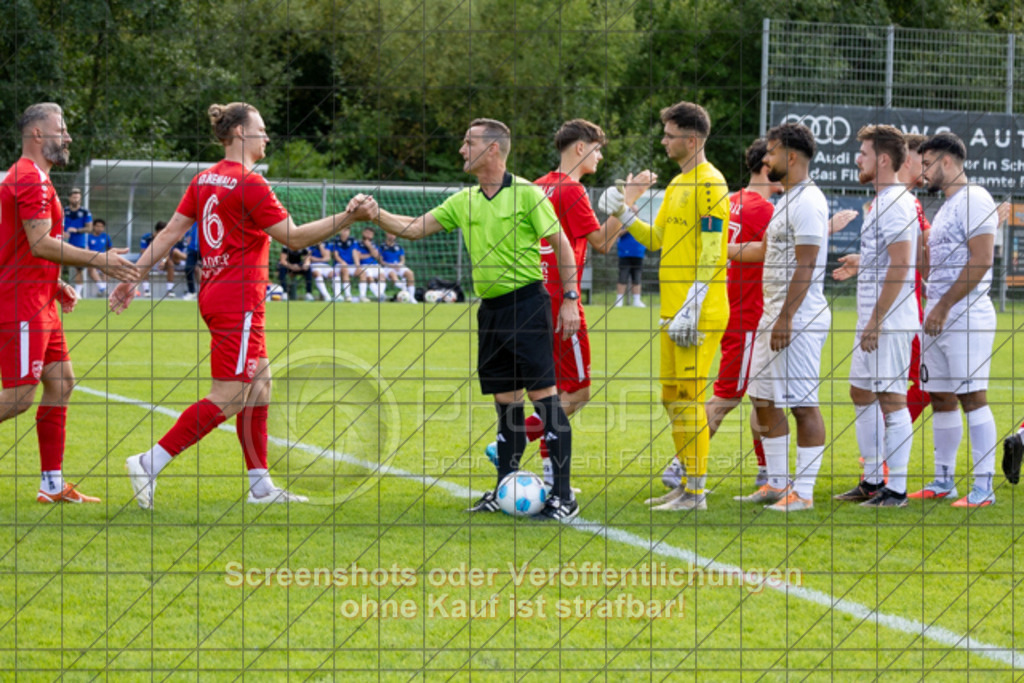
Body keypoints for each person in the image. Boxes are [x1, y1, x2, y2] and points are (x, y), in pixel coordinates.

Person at [110, 101, 375, 509]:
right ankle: (150, 461)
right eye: (262, 129)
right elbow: (295, 237)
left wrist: (134, 276)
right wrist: (348, 217)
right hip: (238, 300)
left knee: (261, 386)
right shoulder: (250, 182)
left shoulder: (204, 179)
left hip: (218, 295)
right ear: (239, 134)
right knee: (231, 395)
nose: (267, 136)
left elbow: (169, 235)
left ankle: (261, 485)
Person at [360, 117, 583, 521]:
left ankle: (564, 497)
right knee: (505, 404)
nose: (462, 149)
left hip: (528, 305)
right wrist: (376, 214)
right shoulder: (463, 201)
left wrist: (569, 299)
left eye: (469, 142)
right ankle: (505, 487)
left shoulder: (529, 195)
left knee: (546, 403)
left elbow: (562, 245)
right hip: (491, 311)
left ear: (492, 149)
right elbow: (413, 228)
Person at [482, 118, 655, 487]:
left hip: (531, 301)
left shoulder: (538, 185)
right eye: (597, 148)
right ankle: (519, 441)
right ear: (580, 148)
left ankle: (544, 472)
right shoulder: (571, 190)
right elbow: (602, 242)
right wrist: (629, 201)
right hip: (563, 304)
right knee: (576, 392)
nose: (601, 155)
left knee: (550, 392)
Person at [0, 102, 138, 503]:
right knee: (20, 397)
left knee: (61, 384)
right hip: (21, 303)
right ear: (38, 135)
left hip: (40, 298)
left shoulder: (34, 177)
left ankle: (52, 484)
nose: (68, 136)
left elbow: (21, 245)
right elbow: (40, 243)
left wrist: (57, 283)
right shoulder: (29, 178)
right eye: (61, 129)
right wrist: (102, 260)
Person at [600, 101, 730, 512]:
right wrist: (624, 211)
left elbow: (714, 248)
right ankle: (687, 485)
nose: (664, 140)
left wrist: (693, 305)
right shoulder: (677, 184)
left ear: (691, 140)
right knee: (672, 396)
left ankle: (696, 494)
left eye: (670, 134)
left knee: (690, 397)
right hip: (673, 311)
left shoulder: (710, 184)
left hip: (699, 310)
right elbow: (655, 239)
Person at [660, 139, 781, 496]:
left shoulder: (730, 200)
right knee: (726, 396)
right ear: (764, 165)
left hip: (721, 308)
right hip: (746, 317)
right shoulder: (768, 212)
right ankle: (682, 467)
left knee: (760, 395)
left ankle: (766, 471)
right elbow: (773, 250)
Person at [731, 122, 830, 512]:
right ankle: (776, 483)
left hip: (797, 318)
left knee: (803, 405)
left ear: (791, 157)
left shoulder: (808, 202)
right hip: (772, 314)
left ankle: (802, 494)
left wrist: (787, 318)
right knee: (762, 399)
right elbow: (765, 252)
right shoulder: (786, 199)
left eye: (770, 152)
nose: (765, 158)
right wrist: (717, 250)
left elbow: (806, 265)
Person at [828, 125, 919, 508]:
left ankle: (895, 490)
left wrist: (877, 319)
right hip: (875, 317)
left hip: (889, 320)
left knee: (892, 399)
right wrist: (862, 263)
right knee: (861, 391)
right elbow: (887, 261)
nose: (857, 159)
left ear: (883, 159)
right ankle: (872, 480)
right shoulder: (882, 202)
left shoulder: (896, 202)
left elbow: (901, 266)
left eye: (863, 153)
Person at [908, 132, 999, 507]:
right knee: (941, 397)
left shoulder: (975, 198)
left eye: (927, 163)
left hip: (964, 313)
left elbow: (982, 260)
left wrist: (943, 306)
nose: (923, 172)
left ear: (947, 161)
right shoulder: (945, 206)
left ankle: (984, 488)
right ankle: (944, 480)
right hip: (938, 314)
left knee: (972, 397)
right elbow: (931, 264)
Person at [139, 221, 187, 297]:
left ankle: (169, 290)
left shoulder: (167, 238)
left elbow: (167, 252)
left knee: (170, 263)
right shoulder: (146, 237)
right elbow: (143, 252)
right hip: (151, 259)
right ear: (157, 231)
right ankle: (146, 289)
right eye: (162, 232)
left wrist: (163, 261)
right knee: (145, 263)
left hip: (161, 260)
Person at [63, 187, 93, 297]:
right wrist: (62, 232)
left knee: (79, 268)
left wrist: (77, 230)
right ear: (70, 198)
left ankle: (78, 293)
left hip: (79, 242)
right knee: (59, 266)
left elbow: (89, 228)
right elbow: (56, 223)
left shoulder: (85, 212)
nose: (76, 199)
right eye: (74, 197)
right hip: (65, 242)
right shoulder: (64, 211)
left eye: (78, 197)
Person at [380, 233, 417, 301]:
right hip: (387, 267)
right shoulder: (382, 247)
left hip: (398, 266)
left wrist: (399, 264)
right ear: (386, 234)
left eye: (393, 234)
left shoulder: (399, 247)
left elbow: (402, 260)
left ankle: (411, 297)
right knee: (393, 275)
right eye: (390, 234)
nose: (392, 235)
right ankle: (404, 289)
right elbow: (381, 261)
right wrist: (391, 265)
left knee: (410, 273)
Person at [614, 232, 646, 307]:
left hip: (638, 253)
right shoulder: (622, 222)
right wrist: (627, 228)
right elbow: (617, 234)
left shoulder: (643, 221)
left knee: (637, 278)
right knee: (623, 277)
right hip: (624, 253)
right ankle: (619, 300)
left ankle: (637, 300)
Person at [354, 226, 385, 301]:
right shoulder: (357, 244)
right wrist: (371, 254)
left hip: (375, 265)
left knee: (382, 276)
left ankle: (380, 294)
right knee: (369, 277)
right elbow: (358, 256)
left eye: (370, 233)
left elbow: (378, 257)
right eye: (367, 232)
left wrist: (369, 246)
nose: (368, 235)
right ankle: (378, 295)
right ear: (363, 233)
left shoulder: (374, 245)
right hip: (364, 265)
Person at [330, 226, 360, 302]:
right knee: (344, 269)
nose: (345, 232)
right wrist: (343, 262)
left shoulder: (353, 241)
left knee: (363, 273)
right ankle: (347, 295)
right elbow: (335, 256)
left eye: (347, 230)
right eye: (343, 230)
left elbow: (355, 253)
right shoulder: (335, 241)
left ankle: (363, 296)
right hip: (338, 265)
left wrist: (357, 266)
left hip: (350, 265)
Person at [85, 218, 113, 297]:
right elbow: (86, 250)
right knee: (91, 268)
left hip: (103, 259)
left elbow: (111, 249)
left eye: (101, 227)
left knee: (109, 268)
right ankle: (103, 289)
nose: (100, 228)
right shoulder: (88, 237)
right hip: (92, 260)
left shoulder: (106, 236)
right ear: (93, 226)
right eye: (98, 226)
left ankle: (102, 289)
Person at [182, 221, 201, 301]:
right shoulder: (191, 223)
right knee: (188, 269)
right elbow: (186, 235)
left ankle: (205, 291)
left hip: (204, 250)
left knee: (209, 270)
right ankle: (191, 292)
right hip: (192, 250)